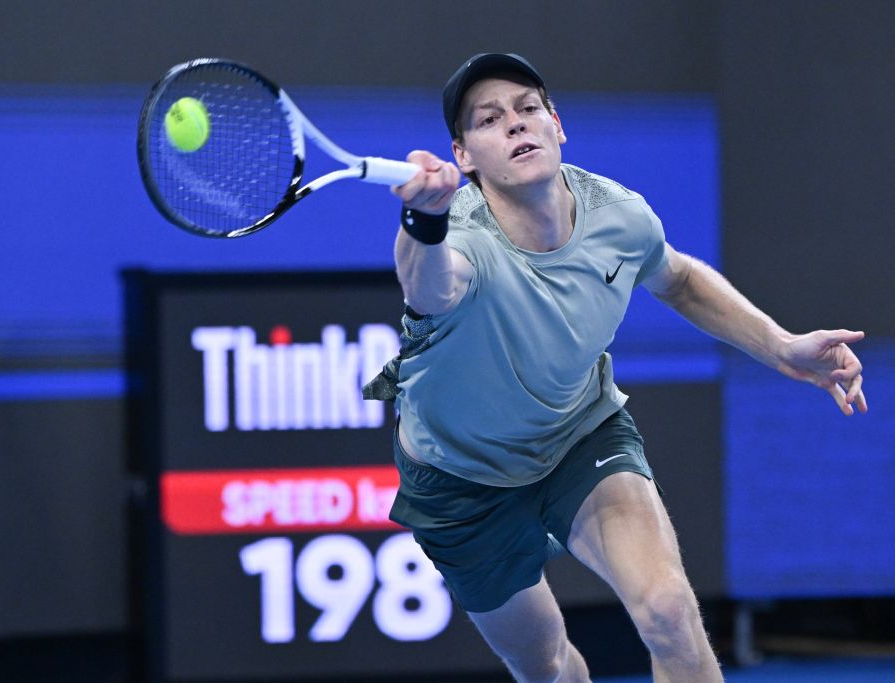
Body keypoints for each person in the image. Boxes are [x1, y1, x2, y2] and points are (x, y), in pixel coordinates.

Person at [367, 53, 867, 683]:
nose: (516, 123)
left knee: (669, 610)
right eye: (489, 120)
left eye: (528, 108)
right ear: (463, 156)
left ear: (556, 125)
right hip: (460, 478)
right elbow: (430, 288)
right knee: (546, 665)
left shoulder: (615, 213)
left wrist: (781, 346)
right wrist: (424, 219)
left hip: (578, 436)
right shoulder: (462, 239)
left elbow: (678, 279)